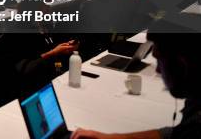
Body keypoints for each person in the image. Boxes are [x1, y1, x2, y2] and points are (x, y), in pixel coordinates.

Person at [71, 13, 201, 139]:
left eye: (160, 61)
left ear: (181, 63)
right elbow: (175, 133)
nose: (158, 70)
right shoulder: (195, 100)